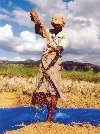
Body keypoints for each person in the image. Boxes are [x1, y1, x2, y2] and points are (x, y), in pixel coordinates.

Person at [30, 10, 69, 122]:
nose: (56, 26)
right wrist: (36, 21)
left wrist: (55, 48)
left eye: (58, 25)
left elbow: (61, 47)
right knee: (42, 86)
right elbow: (38, 31)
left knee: (53, 88)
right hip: (45, 60)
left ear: (62, 24)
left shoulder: (64, 36)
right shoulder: (49, 32)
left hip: (54, 62)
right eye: (54, 24)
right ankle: (46, 107)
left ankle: (50, 117)